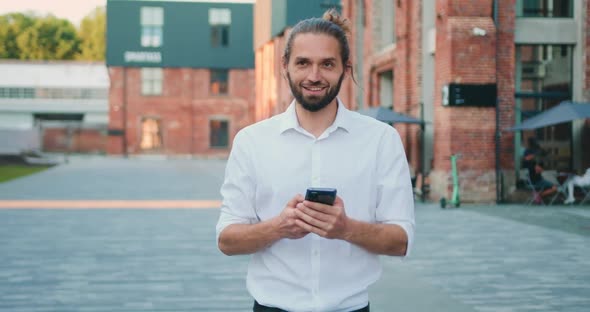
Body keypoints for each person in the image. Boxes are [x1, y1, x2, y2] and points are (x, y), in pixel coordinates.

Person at [215, 9, 415, 312]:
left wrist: (345, 228)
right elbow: (227, 241)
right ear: (285, 66)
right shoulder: (252, 142)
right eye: (303, 63)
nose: (314, 76)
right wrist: (279, 227)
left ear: (346, 69)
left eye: (327, 64)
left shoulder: (381, 140)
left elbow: (400, 241)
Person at [522, 137, 556, 204]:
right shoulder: (532, 164)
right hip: (537, 181)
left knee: (550, 186)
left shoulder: (532, 162)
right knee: (554, 188)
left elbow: (527, 159)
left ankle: (538, 195)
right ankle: (539, 195)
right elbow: (538, 170)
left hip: (536, 180)